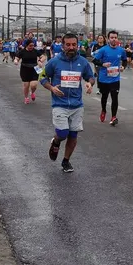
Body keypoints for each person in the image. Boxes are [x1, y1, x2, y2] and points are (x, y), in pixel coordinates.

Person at [40, 33, 95, 173]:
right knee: (63, 133)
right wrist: (51, 87)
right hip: (59, 104)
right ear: (63, 45)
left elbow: (90, 76)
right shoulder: (55, 61)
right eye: (68, 45)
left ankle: (66, 161)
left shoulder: (82, 62)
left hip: (77, 105)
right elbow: (42, 76)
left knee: (73, 135)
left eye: (74, 44)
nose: (71, 47)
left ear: (78, 45)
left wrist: (89, 84)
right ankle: (56, 141)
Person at [92, 30, 127, 126]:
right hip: (104, 78)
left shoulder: (121, 50)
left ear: (117, 38)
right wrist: (103, 64)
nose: (114, 39)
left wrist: (123, 66)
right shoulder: (103, 50)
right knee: (104, 97)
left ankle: (113, 117)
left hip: (115, 78)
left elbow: (124, 60)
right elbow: (94, 60)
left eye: (115, 37)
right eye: (112, 37)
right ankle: (103, 110)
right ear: (108, 39)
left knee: (114, 97)